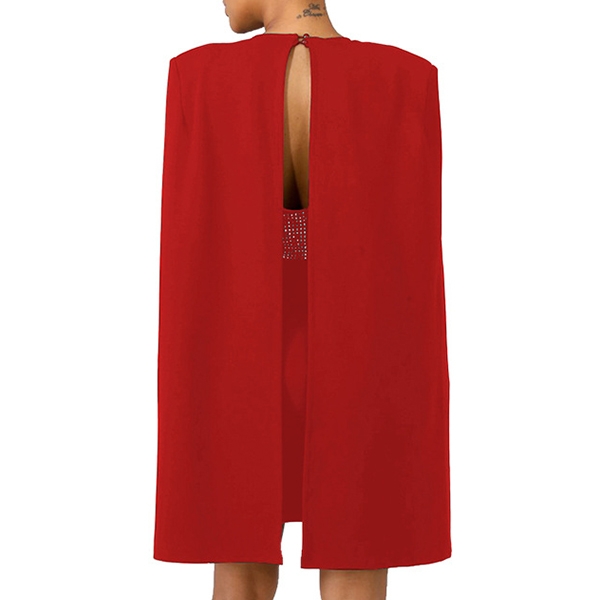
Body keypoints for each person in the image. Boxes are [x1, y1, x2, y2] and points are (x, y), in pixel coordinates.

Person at [154, 0, 450, 597]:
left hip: (237, 358)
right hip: (364, 360)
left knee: (237, 562)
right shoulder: (405, 81)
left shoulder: (198, 78)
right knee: (356, 557)